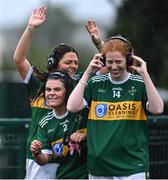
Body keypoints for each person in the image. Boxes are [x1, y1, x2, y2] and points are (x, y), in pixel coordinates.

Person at [67, 35, 164, 179]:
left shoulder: (138, 83)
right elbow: (72, 107)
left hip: (133, 165)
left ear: (128, 60)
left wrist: (145, 75)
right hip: (99, 166)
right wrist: (87, 73)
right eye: (109, 62)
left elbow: (157, 109)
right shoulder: (96, 83)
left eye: (118, 61)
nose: (113, 66)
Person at [13, 6, 84, 179]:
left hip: (70, 157)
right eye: (68, 62)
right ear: (54, 63)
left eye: (76, 62)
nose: (73, 66)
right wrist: (30, 29)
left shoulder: (80, 83)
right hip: (40, 156)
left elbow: (109, 65)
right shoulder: (39, 84)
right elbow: (18, 59)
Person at [30, 71, 88, 179]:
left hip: (91, 175)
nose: (51, 93)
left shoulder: (83, 110)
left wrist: (85, 136)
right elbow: (44, 159)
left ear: (67, 91)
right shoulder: (45, 123)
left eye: (57, 89)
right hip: (64, 176)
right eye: (48, 90)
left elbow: (103, 132)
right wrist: (37, 153)